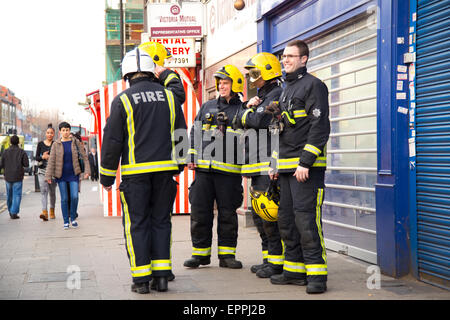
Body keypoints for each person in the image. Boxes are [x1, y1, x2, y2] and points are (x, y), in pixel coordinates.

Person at [100, 48, 187, 294]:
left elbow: (112, 141)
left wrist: (106, 176)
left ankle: (141, 280)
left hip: (135, 176)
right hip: (164, 174)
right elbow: (180, 132)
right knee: (161, 222)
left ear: (127, 75)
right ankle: (161, 277)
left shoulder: (123, 100)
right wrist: (179, 165)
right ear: (152, 72)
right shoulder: (170, 98)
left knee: (137, 225)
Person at [268, 40, 330, 294]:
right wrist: (273, 163)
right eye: (284, 56)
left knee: (306, 221)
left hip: (305, 168)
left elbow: (320, 127)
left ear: (304, 59)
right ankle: (294, 270)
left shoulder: (314, 86)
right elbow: (277, 128)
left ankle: (317, 274)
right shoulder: (285, 89)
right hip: (284, 167)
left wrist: (306, 162)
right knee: (287, 220)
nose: (286, 60)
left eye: (291, 56)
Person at [184, 64, 244, 270]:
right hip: (203, 171)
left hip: (228, 173)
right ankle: (200, 255)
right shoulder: (207, 106)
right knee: (200, 213)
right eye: (220, 83)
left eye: (225, 83)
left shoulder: (242, 110)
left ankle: (227, 256)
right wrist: (191, 154)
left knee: (227, 214)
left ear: (235, 84)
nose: (222, 86)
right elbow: (195, 131)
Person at [233, 52, 284, 278]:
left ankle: (276, 263)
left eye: (255, 73)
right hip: (255, 164)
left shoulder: (276, 94)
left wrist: (248, 112)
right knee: (259, 216)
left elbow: (259, 121)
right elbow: (238, 119)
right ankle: (268, 259)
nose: (252, 78)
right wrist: (248, 108)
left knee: (269, 217)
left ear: (268, 72)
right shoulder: (260, 97)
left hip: (267, 163)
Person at [45, 122, 90, 230]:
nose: (65, 132)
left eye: (67, 130)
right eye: (63, 130)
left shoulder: (76, 142)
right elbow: (51, 161)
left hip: (74, 174)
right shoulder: (56, 144)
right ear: (60, 132)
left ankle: (73, 218)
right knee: (64, 198)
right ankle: (66, 221)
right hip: (61, 176)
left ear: (70, 131)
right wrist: (48, 176)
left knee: (74, 196)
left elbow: (84, 156)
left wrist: (87, 171)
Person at [0, 135, 29, 219]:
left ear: (10, 142)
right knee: (17, 195)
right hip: (18, 176)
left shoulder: (5, 152)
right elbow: (26, 164)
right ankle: (14, 212)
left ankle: (10, 210)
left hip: (8, 176)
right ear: (18, 142)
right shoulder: (22, 152)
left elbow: (1, 164)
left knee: (9, 195)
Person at [35, 124, 57, 221]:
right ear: (45, 133)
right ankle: (44, 213)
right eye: (48, 133)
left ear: (54, 134)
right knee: (44, 192)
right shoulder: (40, 144)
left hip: (53, 172)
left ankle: (52, 211)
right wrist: (43, 157)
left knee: (52, 193)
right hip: (42, 171)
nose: (49, 134)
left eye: (51, 133)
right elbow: (36, 157)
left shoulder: (56, 144)